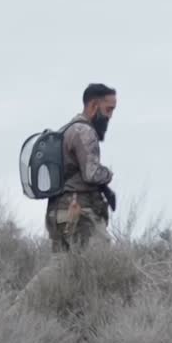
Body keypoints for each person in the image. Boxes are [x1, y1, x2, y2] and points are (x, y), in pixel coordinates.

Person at [45, 83, 118, 252]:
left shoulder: (66, 130)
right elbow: (91, 174)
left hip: (58, 212)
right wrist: (108, 174)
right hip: (78, 211)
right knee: (101, 261)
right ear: (94, 106)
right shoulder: (84, 131)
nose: (110, 116)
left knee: (62, 267)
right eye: (108, 109)